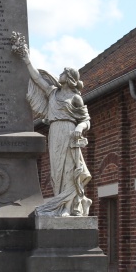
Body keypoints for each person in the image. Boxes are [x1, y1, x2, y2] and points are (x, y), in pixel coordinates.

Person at [12, 32, 93, 217]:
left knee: (69, 170)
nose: (60, 74)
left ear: (70, 78)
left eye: (64, 72)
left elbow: (85, 119)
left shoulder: (76, 98)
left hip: (69, 132)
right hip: (55, 131)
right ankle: (58, 206)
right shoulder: (53, 93)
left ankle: (67, 207)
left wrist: (79, 128)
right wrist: (26, 59)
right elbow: (37, 78)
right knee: (56, 172)